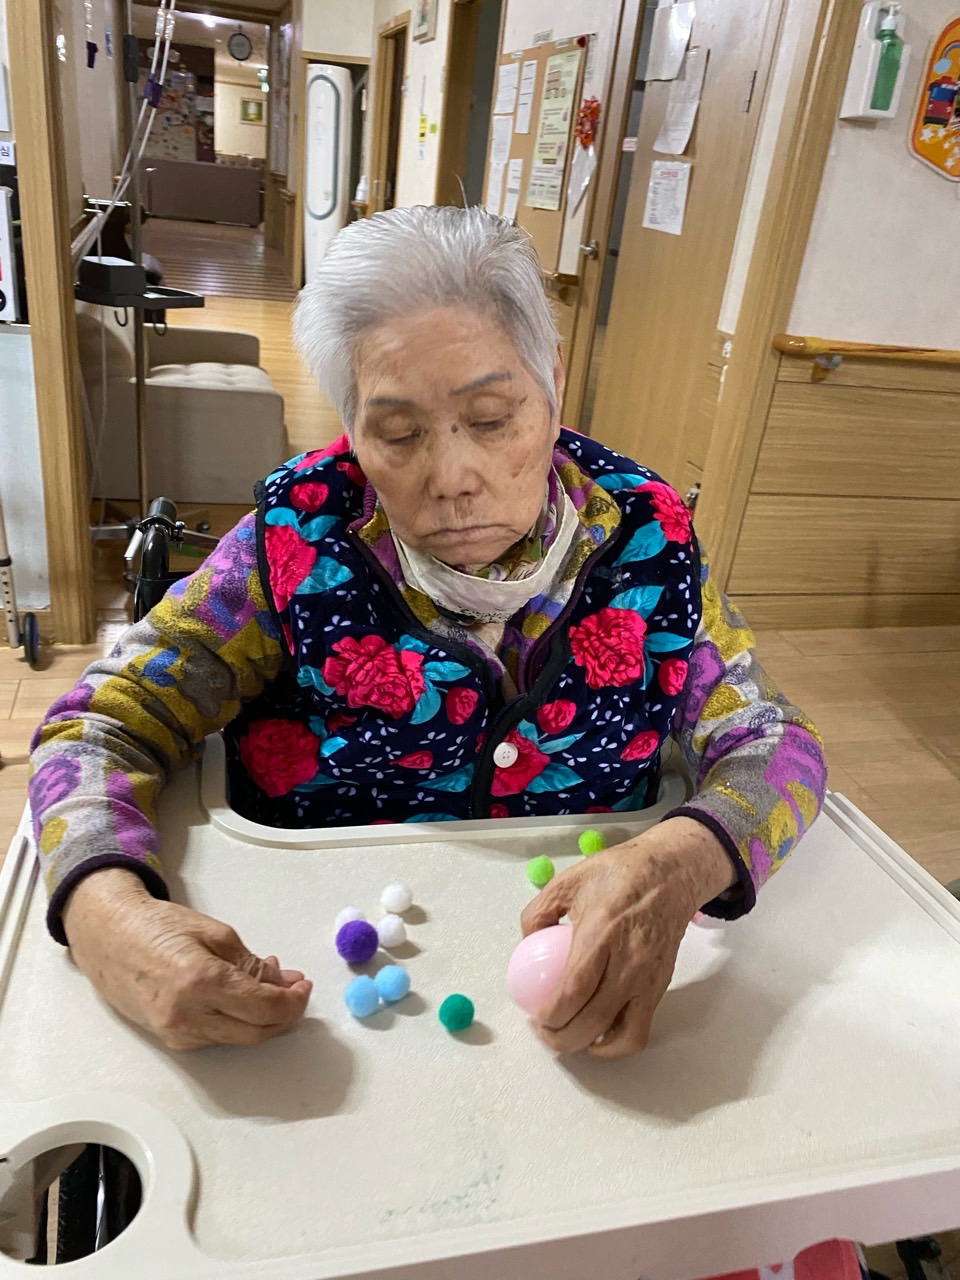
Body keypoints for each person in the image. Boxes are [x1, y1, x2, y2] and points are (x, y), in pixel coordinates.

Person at [30, 205, 827, 1059]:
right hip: (333, 995)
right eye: (399, 433)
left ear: (552, 382)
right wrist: (103, 907)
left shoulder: (645, 540)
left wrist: (683, 861)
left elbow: (775, 741)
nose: (453, 478)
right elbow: (100, 724)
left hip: (582, 980)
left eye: (492, 418)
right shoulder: (293, 544)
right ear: (350, 425)